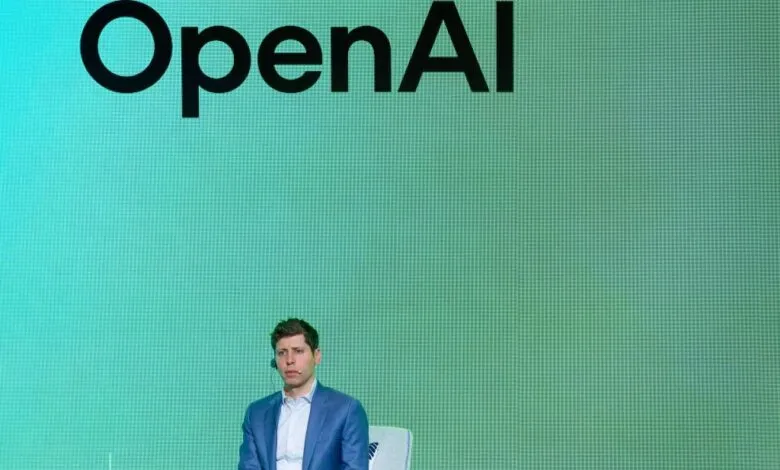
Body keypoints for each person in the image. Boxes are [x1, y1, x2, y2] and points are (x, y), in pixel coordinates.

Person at [238, 318, 370, 470]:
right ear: (274, 360)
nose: (289, 360)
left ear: (317, 356)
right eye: (282, 353)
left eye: (298, 351)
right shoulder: (256, 413)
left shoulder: (346, 410)